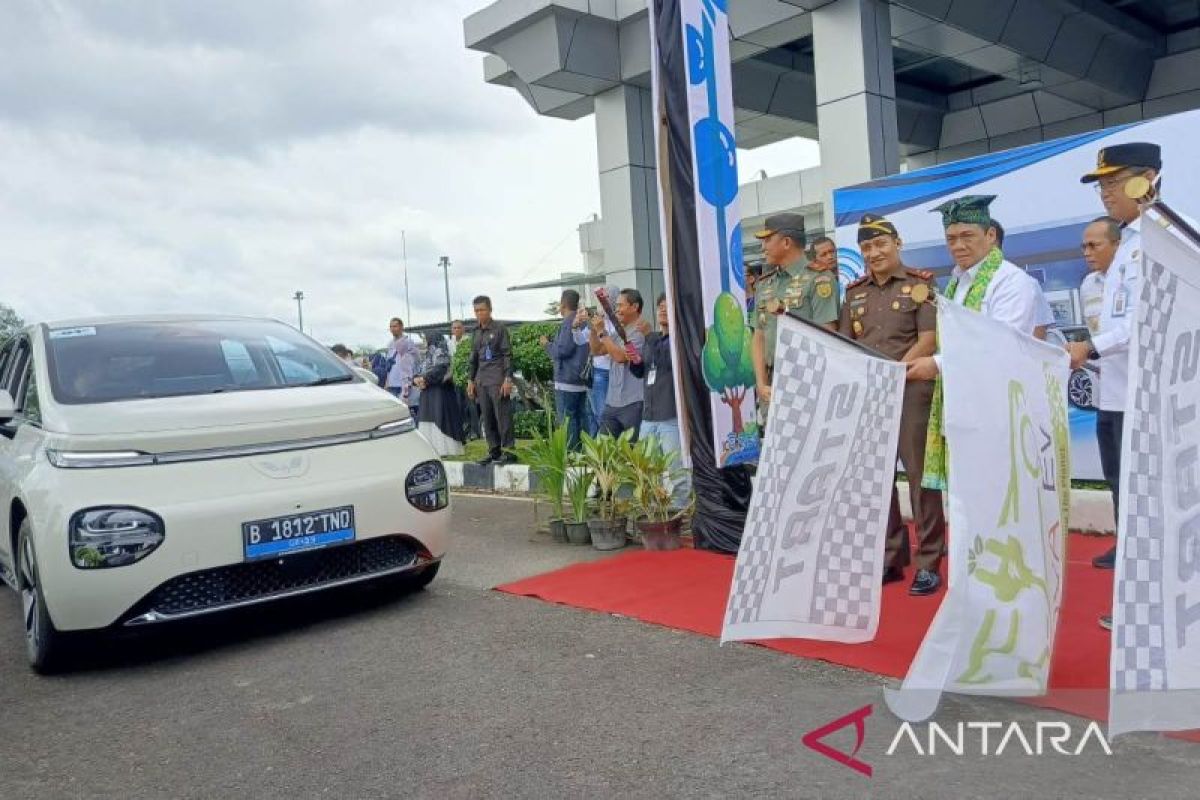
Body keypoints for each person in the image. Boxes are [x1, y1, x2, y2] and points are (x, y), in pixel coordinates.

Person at [1065, 143, 1164, 630]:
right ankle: (1142, 603)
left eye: (1112, 181)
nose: (1105, 193)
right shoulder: (1131, 242)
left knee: (1148, 508)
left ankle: (1149, 610)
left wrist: (1089, 348)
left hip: (1148, 400)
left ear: (1147, 178)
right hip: (1120, 394)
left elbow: (1142, 325)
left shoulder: (1161, 238)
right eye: (1101, 184)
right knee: (1132, 503)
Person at [906, 195, 1054, 506]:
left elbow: (1000, 345)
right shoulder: (956, 284)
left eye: (967, 236)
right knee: (969, 506)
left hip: (999, 412)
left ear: (990, 236)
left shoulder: (1011, 282)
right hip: (963, 411)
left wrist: (937, 365)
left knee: (1003, 505)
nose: (958, 245)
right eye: (951, 238)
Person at [840, 213, 946, 596]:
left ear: (897, 244)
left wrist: (892, 375)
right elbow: (846, 344)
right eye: (867, 247)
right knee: (876, 480)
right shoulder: (854, 293)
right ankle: (891, 557)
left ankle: (929, 562)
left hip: (912, 391)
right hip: (870, 397)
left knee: (920, 479)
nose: (874, 252)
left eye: (880, 244)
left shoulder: (921, 285)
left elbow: (928, 339)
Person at [750, 213, 839, 408]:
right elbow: (758, 337)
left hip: (805, 379)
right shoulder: (765, 284)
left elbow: (827, 337)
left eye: (767, 240)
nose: (762, 247)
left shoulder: (819, 278)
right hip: (770, 384)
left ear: (786, 242)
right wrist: (761, 383)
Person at [633, 294, 691, 511]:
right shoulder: (653, 338)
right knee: (647, 467)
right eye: (660, 307)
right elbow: (643, 371)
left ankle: (680, 510)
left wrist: (648, 336)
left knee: (675, 467)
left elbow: (667, 362)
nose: (663, 311)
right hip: (649, 414)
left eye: (668, 307)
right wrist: (635, 361)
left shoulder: (679, 340)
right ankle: (653, 508)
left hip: (671, 415)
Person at [591, 288, 646, 440]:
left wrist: (602, 332)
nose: (617, 310)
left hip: (633, 403)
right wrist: (594, 329)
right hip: (612, 403)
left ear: (634, 307)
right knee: (602, 451)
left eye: (620, 305)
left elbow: (620, 357)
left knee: (632, 454)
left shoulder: (641, 331)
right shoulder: (618, 332)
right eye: (616, 306)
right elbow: (597, 350)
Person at [541, 289, 592, 450]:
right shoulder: (584, 322)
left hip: (566, 381)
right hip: (581, 380)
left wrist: (546, 345)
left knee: (568, 422)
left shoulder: (568, 322)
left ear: (563, 303)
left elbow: (562, 350)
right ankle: (582, 457)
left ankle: (572, 459)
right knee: (581, 420)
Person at [467, 295, 516, 465]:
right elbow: (473, 358)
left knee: (503, 417)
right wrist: (470, 380)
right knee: (487, 418)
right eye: (476, 311)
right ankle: (493, 451)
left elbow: (507, 355)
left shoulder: (500, 329)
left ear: (490, 309)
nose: (479, 313)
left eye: (482, 310)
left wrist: (508, 379)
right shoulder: (475, 332)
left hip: (497, 379)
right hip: (481, 380)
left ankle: (509, 452)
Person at [413, 333, 465, 457]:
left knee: (440, 418)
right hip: (427, 392)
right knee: (427, 418)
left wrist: (425, 379)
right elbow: (419, 370)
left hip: (440, 392)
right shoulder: (427, 354)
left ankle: (445, 450)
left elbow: (441, 369)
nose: (425, 341)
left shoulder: (442, 352)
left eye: (427, 339)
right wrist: (416, 379)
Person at [1080, 217, 1121, 334]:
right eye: (1084, 247)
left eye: (1094, 246)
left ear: (1118, 245)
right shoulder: (1088, 284)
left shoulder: (1135, 278)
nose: (1087, 253)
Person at [449, 319, 480, 440]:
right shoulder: (450, 343)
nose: (456, 330)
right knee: (460, 407)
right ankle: (464, 431)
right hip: (456, 380)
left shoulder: (468, 341)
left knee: (471, 406)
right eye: (454, 328)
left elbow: (471, 362)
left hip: (468, 380)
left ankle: (475, 432)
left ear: (463, 329)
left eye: (458, 328)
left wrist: (470, 379)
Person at [384, 317, 417, 403]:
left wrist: (408, 383)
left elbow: (412, 363)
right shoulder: (390, 344)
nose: (392, 329)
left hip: (404, 384)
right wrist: (387, 382)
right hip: (392, 383)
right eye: (391, 327)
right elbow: (388, 365)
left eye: (395, 326)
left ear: (401, 327)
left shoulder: (408, 342)